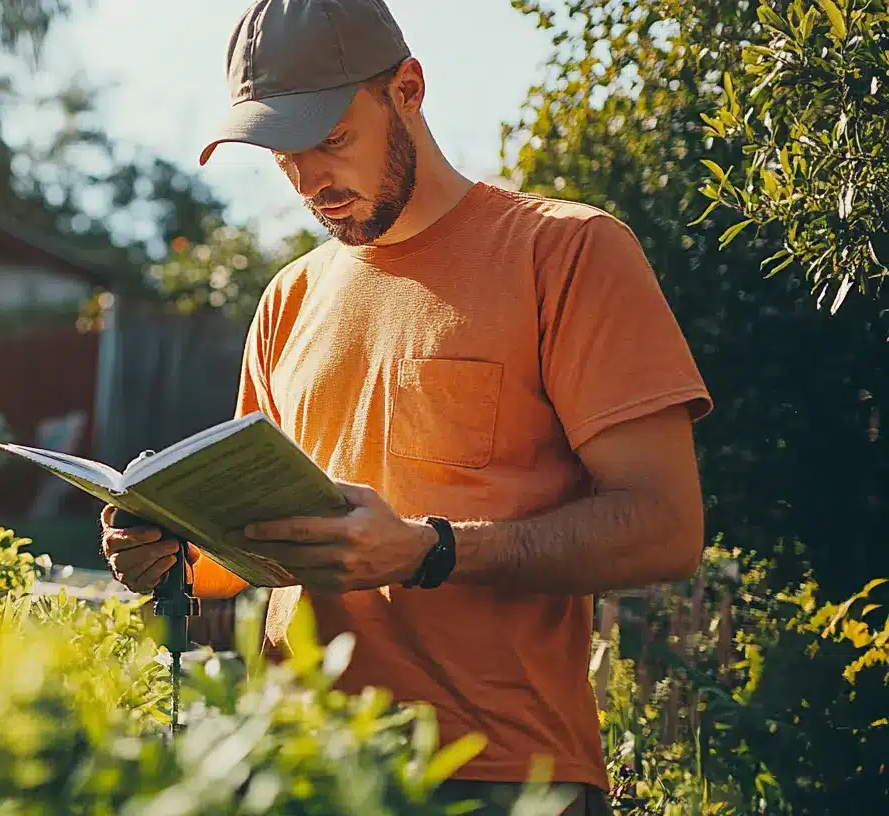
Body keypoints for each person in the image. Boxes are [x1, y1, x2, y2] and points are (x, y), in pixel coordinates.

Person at [99, 0, 712, 813]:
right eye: (283, 153)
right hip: (295, 768)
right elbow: (252, 554)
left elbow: (666, 528)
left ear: (409, 88)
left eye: (332, 138)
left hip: (498, 777)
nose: (311, 179)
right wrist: (171, 556)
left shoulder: (566, 252)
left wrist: (431, 550)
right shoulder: (290, 297)